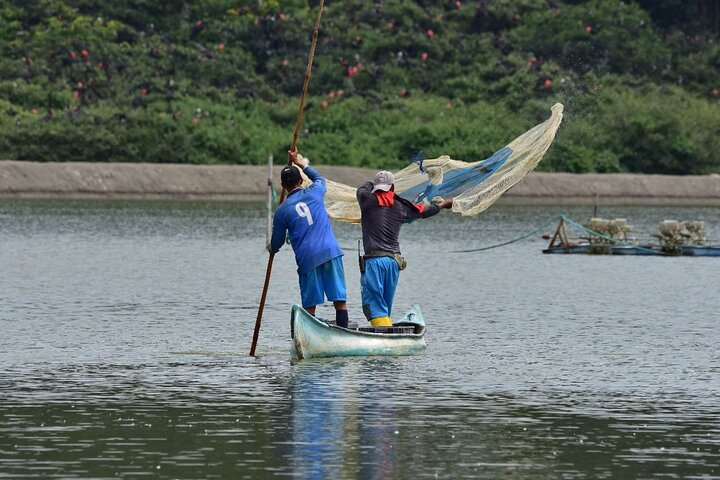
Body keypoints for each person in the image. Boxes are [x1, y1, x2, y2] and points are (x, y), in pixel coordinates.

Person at [357, 171, 453, 326]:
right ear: (392, 188)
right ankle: (389, 332)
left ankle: (384, 339)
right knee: (385, 306)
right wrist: (442, 205)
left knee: (374, 306)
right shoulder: (400, 206)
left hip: (375, 262)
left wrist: (371, 183)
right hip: (393, 263)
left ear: (377, 187)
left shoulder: (367, 200)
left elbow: (361, 189)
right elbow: (423, 211)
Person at [268, 149, 349, 328]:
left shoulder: (282, 210)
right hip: (330, 251)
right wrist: (299, 162)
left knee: (310, 304)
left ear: (283, 185)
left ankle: (309, 332)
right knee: (339, 299)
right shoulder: (315, 191)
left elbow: (277, 242)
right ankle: (343, 331)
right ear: (301, 181)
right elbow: (320, 177)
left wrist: (271, 249)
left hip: (307, 258)